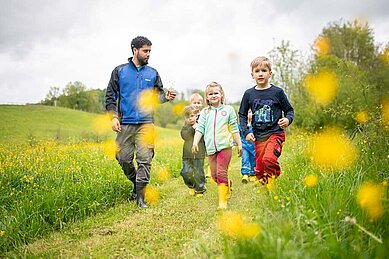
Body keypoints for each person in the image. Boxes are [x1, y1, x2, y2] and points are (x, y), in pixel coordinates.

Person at [105, 36, 176, 208]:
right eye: (145, 51)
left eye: (150, 51)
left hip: (146, 123)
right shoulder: (119, 71)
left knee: (145, 159)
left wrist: (165, 97)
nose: (148, 54)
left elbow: (157, 96)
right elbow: (110, 96)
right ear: (134, 50)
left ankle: (141, 197)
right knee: (123, 158)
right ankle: (136, 184)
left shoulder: (152, 73)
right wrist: (113, 117)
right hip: (125, 123)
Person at [238, 56, 294, 187]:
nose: (260, 73)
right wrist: (246, 132)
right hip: (258, 137)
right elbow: (242, 114)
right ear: (252, 75)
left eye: (264, 70)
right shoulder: (249, 94)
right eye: (257, 71)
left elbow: (289, 110)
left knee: (269, 159)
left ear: (270, 73)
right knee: (260, 170)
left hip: (275, 134)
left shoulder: (277, 92)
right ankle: (266, 190)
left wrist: (287, 119)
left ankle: (273, 182)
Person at [192, 82, 242, 209]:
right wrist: (195, 142)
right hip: (210, 148)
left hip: (225, 146)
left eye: (216, 93)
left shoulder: (228, 110)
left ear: (221, 94)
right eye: (210, 94)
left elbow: (234, 128)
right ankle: (227, 185)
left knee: (221, 172)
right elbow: (200, 129)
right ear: (207, 97)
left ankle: (222, 200)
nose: (213, 95)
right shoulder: (205, 112)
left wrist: (240, 144)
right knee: (214, 175)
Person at [180, 105, 206, 197]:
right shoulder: (185, 128)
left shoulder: (201, 127)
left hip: (199, 154)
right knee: (185, 172)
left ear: (196, 116)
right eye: (187, 117)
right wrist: (193, 128)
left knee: (198, 172)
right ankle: (191, 185)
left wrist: (198, 128)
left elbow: (204, 138)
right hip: (187, 155)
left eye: (192, 116)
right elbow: (185, 136)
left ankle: (200, 189)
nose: (190, 119)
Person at [189, 92, 211, 178]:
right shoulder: (190, 115)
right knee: (196, 156)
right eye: (194, 103)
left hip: (204, 137)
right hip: (194, 138)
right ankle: (195, 171)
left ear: (202, 104)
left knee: (209, 153)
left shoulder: (203, 114)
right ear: (191, 103)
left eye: (198, 103)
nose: (196, 105)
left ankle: (209, 170)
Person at [239, 109, 256, 184]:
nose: (249, 114)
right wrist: (235, 143)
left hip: (253, 147)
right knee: (245, 159)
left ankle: (252, 174)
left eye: (251, 112)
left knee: (253, 160)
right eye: (248, 112)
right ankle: (245, 174)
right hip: (244, 146)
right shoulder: (241, 125)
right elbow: (237, 134)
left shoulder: (256, 125)